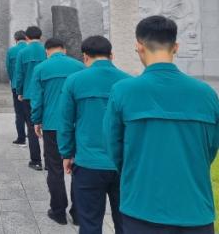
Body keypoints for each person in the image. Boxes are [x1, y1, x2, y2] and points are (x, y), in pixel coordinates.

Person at [104, 16, 219, 234]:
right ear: (176, 47)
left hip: (142, 207)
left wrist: (137, 171)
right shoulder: (206, 94)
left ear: (139, 46)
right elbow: (210, 148)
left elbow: (114, 148)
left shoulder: (123, 91)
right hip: (195, 209)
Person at [58, 35, 130, 234]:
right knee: (125, 224)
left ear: (85, 57)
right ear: (111, 55)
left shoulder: (74, 81)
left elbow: (65, 122)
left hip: (88, 163)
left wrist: (66, 153)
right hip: (124, 164)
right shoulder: (129, 82)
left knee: (89, 223)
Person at [29, 38, 85, 225]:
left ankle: (58, 211)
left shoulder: (40, 69)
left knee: (54, 168)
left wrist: (36, 120)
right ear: (64, 49)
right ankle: (78, 213)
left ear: (47, 51)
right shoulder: (79, 66)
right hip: (76, 124)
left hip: (52, 124)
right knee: (78, 167)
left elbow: (37, 99)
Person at [13, 25, 46, 170]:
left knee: (32, 127)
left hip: (28, 94)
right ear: (41, 36)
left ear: (26, 37)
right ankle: (49, 161)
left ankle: (36, 161)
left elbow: (19, 75)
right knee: (47, 127)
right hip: (45, 94)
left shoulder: (22, 52)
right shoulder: (46, 51)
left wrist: (19, 92)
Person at [6, 30, 28, 146]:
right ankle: (32, 133)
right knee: (30, 112)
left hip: (16, 85)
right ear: (26, 38)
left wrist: (13, 79)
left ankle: (21, 137)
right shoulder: (30, 50)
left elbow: (8, 68)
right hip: (31, 86)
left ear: (15, 39)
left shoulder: (11, 51)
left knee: (19, 112)